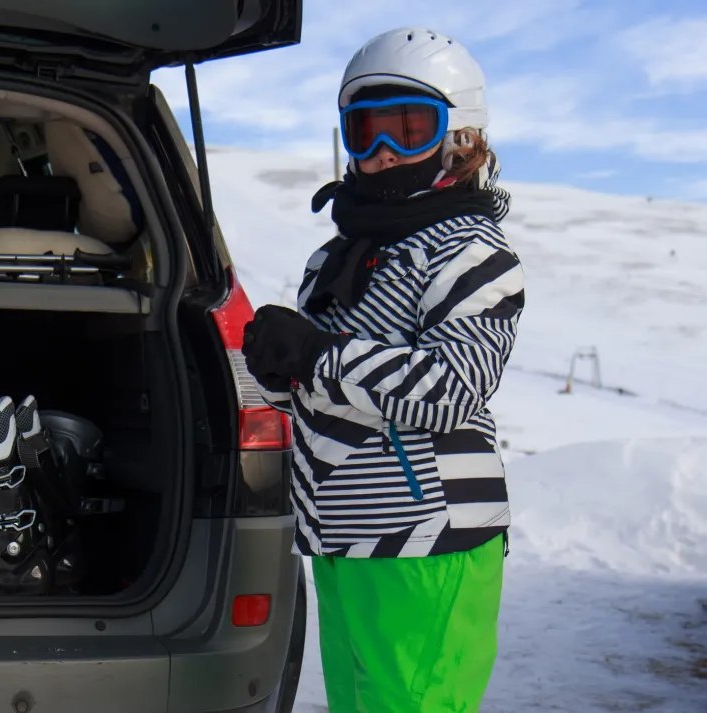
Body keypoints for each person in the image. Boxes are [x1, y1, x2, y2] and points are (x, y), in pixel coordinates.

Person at [240, 27, 525, 713]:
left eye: (408, 126)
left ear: (460, 137)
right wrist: (281, 368)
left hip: (426, 537)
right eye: (365, 130)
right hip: (342, 537)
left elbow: (452, 386)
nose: (384, 151)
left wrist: (316, 354)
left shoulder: (472, 252)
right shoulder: (339, 256)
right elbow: (326, 388)